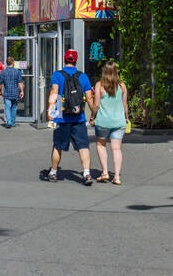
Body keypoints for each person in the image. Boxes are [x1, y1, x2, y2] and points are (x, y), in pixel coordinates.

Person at [45, 50, 93, 186]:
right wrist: (94, 113)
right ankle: (86, 173)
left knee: (58, 146)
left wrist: (50, 110)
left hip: (61, 116)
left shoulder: (57, 75)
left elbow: (54, 92)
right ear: (76, 61)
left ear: (64, 59)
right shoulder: (83, 76)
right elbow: (89, 97)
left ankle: (53, 173)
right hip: (79, 117)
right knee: (83, 146)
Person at [89, 61, 128, 184]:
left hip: (103, 121)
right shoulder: (122, 86)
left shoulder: (99, 85)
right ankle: (116, 176)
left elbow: (96, 105)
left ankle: (105, 172)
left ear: (104, 72)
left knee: (101, 145)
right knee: (116, 148)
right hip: (118, 121)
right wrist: (126, 117)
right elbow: (124, 104)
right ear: (116, 72)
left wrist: (92, 117)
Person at [0, 57, 23, 128]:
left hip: (7, 93)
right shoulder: (17, 72)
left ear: (7, 63)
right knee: (14, 107)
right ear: (13, 62)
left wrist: (0, 91)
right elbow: (20, 83)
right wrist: (21, 91)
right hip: (15, 92)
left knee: (7, 107)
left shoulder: (3, 72)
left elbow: (0, 83)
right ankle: (12, 122)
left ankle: (9, 122)